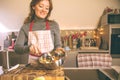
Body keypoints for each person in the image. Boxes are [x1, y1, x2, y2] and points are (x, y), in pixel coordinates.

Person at [14, 0, 64, 67]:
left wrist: (59, 50)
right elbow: (17, 48)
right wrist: (29, 48)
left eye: (47, 8)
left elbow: (58, 45)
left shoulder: (54, 25)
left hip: (51, 65)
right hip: (33, 65)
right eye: (41, 6)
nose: (44, 10)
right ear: (33, 6)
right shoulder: (25, 27)